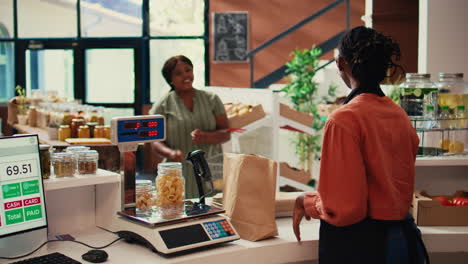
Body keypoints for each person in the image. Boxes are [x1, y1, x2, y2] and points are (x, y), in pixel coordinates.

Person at [292, 26, 429, 263]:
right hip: (401, 244)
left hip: (362, 247)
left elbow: (345, 209)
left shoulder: (343, 119)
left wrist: (307, 203)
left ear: (341, 64)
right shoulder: (399, 115)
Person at [149, 55, 230, 199]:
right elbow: (154, 141)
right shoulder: (162, 105)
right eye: (178, 73)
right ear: (170, 79)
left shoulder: (211, 99)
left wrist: (206, 136)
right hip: (178, 171)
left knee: (215, 209)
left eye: (188, 70)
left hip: (212, 169)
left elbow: (226, 133)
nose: (185, 75)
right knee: (178, 211)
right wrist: (170, 153)